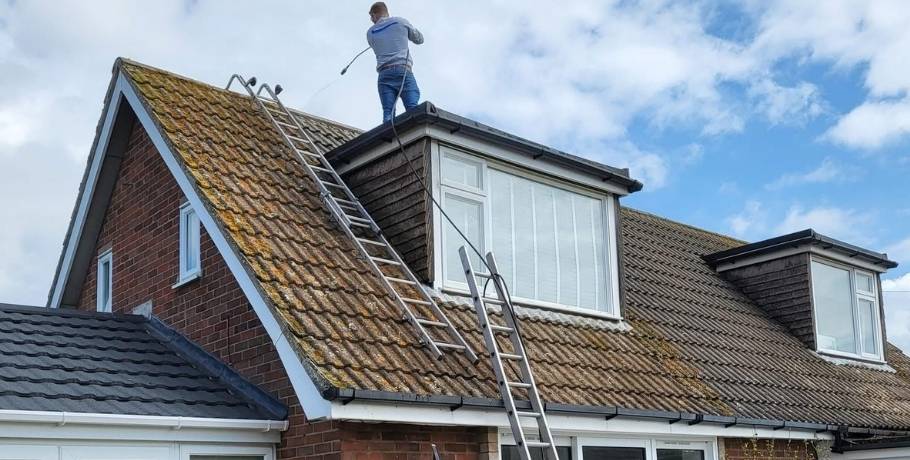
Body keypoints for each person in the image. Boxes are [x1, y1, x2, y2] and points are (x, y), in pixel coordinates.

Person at [366, 2, 424, 123]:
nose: (371, 20)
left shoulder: (370, 33)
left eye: (371, 17)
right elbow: (419, 40)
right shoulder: (400, 21)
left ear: (375, 14)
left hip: (384, 74)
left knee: (388, 112)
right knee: (412, 108)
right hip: (402, 71)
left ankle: (389, 140)